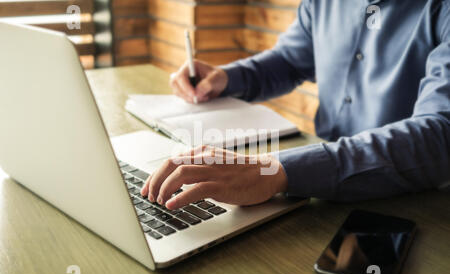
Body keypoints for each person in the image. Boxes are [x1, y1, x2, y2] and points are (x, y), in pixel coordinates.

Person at [141, 0, 450, 211]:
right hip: (321, 188)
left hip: (418, 201)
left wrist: (278, 169)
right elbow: (290, 60)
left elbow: (440, 135)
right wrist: (226, 78)